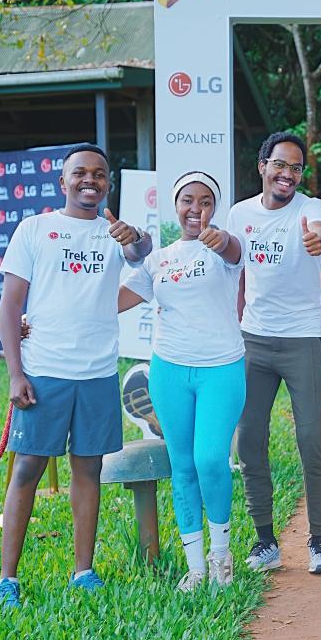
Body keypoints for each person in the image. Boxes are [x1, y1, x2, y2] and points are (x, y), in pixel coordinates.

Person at [0, 143, 152, 609]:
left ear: (108, 183)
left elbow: (144, 256)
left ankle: (83, 571)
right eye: (80, 174)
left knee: (89, 469)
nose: (90, 180)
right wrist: (15, 374)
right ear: (63, 183)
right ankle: (8, 579)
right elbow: (10, 303)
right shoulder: (36, 229)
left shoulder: (117, 234)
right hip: (44, 371)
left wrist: (133, 240)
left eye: (99, 174)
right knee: (27, 469)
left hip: (98, 372)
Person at [118, 171, 246, 592]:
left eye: (206, 201)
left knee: (211, 459)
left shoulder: (223, 248)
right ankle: (195, 567)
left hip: (221, 369)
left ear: (215, 206)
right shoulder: (159, 259)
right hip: (170, 370)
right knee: (184, 466)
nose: (196, 209)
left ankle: (221, 557)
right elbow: (114, 300)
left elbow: (233, 250)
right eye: (188, 200)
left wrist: (221, 239)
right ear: (175, 205)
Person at [226, 132, 321, 575]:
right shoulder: (240, 214)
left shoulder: (311, 210)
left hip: (303, 339)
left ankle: (320, 540)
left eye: (295, 167)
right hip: (253, 340)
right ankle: (265, 540)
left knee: (312, 437)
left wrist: (317, 242)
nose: (287, 174)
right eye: (279, 165)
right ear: (262, 166)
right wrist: (233, 328)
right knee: (249, 441)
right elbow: (235, 275)